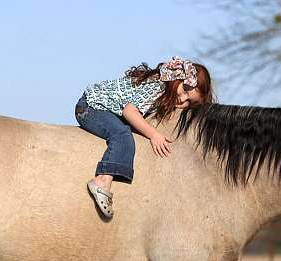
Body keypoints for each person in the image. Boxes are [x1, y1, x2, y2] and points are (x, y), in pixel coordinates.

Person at [75, 56, 215, 218]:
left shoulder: (165, 90)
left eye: (189, 102)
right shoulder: (157, 87)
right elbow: (129, 111)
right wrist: (154, 135)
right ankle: (102, 180)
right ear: (177, 78)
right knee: (122, 135)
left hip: (104, 109)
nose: (182, 99)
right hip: (91, 107)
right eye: (184, 90)